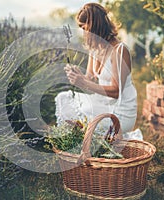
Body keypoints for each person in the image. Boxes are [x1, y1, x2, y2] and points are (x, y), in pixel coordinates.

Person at [55, 3, 142, 139]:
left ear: (94, 26)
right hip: (103, 103)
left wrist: (83, 83)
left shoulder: (119, 50)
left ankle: (99, 140)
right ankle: (87, 142)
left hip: (121, 110)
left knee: (85, 111)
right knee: (64, 98)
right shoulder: (95, 49)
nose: (83, 32)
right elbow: (89, 79)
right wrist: (78, 76)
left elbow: (115, 91)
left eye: (84, 28)